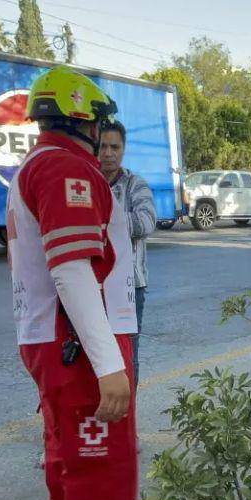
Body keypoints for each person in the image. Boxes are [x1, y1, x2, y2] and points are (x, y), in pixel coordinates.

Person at [6, 66, 137, 500]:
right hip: (78, 344)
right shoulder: (63, 167)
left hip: (57, 338)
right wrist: (109, 365)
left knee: (70, 459)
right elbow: (72, 269)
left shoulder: (40, 163)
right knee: (100, 477)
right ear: (86, 120)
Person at [98, 119, 156, 383]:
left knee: (127, 355)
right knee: (96, 354)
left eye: (114, 147)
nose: (108, 153)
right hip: (92, 286)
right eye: (103, 146)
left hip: (131, 287)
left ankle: (127, 418)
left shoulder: (136, 185)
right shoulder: (85, 182)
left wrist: (103, 222)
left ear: (123, 149)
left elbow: (146, 222)